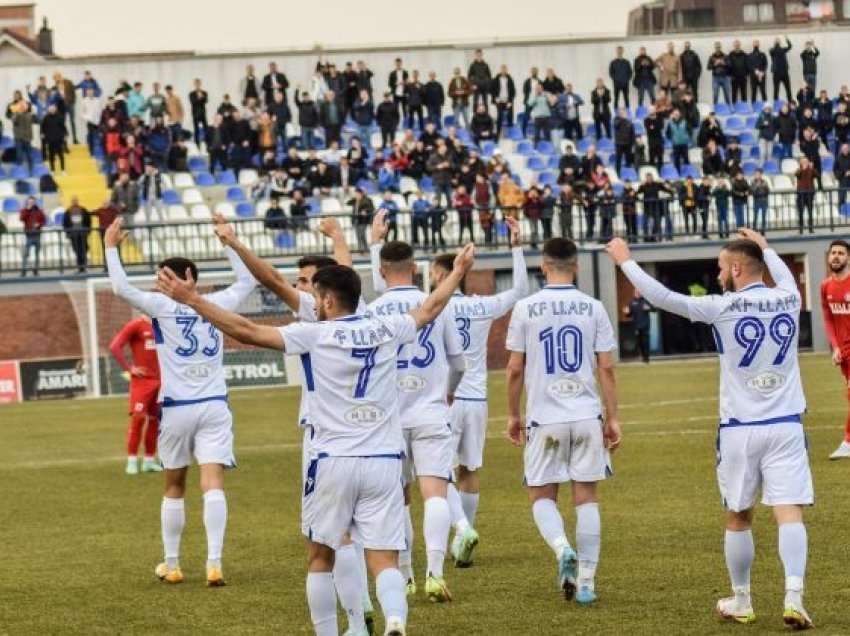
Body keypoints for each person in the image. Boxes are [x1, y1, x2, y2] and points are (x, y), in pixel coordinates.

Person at [158, 224, 474, 636]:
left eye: (315, 294)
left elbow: (246, 330)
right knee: (384, 559)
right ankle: (395, 620)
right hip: (383, 461)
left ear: (326, 299)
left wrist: (192, 299)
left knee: (321, 556)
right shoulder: (387, 327)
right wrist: (458, 270)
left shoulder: (313, 334)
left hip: (331, 460)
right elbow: (431, 307)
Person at [606, 229, 814, 630]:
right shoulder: (790, 297)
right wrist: (766, 247)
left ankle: (742, 600)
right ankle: (794, 598)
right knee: (789, 514)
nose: (718, 273)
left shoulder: (721, 306)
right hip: (786, 424)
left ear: (735, 268)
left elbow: (664, 298)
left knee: (738, 516)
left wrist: (625, 260)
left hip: (740, 428)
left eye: (721, 266)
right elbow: (783, 274)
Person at [104, 216, 256, 588]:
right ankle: (214, 563)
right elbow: (248, 280)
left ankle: (172, 564)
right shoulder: (218, 302)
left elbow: (120, 287)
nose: (158, 283)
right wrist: (229, 242)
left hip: (176, 408)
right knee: (213, 483)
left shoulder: (160, 306)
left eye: (162, 277)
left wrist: (110, 247)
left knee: (174, 486)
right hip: (215, 405)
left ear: (181, 277)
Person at [506, 237, 620, 606]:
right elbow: (606, 367)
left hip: (545, 418)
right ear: (577, 266)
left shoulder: (525, 308)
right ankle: (587, 582)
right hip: (586, 415)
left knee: (541, 495)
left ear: (543, 265)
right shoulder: (593, 307)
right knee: (586, 498)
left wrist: (513, 414)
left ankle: (561, 549)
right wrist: (613, 417)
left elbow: (513, 369)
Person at [109, 315, 162, 474]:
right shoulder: (136, 325)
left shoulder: (163, 324)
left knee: (155, 421)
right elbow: (115, 346)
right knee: (138, 418)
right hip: (142, 382)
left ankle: (149, 461)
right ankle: (132, 461)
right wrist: (129, 368)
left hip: (161, 382)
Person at [821, 240, 850, 460]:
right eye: (833, 253)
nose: (837, 257)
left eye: (841, 253)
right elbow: (828, 318)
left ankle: (848, 442)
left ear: (848, 258)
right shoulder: (825, 286)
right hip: (844, 352)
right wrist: (835, 347)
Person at [62, 196, 92, 272]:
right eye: (73, 201)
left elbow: (88, 220)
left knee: (84, 249)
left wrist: (88, 230)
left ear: (78, 201)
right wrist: (68, 233)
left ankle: (84, 266)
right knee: (76, 250)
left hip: (83, 233)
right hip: (73, 234)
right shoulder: (68, 211)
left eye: (76, 201)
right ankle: (80, 266)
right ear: (71, 202)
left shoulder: (83, 210)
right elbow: (65, 223)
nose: (74, 202)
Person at [20, 196, 46, 277]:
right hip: (29, 235)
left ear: (35, 202)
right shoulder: (25, 210)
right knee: (26, 253)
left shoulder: (39, 211)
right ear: (28, 202)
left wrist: (39, 224)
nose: (31, 203)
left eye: (32, 202)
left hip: (37, 234)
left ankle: (36, 270)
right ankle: (24, 270)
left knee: (37, 254)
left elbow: (44, 220)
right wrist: (27, 209)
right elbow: (21, 218)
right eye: (30, 202)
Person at [624, 289, 652, 363]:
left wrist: (649, 308)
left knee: (646, 342)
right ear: (634, 293)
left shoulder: (645, 301)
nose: (638, 293)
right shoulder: (632, 302)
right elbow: (629, 314)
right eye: (636, 292)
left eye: (639, 292)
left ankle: (646, 358)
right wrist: (626, 312)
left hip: (645, 325)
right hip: (637, 326)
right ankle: (643, 356)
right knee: (640, 342)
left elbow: (654, 309)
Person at [40, 103, 67, 174]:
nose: (52, 110)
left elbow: (63, 127)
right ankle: (52, 170)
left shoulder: (59, 117)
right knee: (51, 156)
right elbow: (42, 127)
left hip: (58, 139)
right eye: (50, 109)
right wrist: (42, 134)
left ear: (55, 109)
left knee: (61, 155)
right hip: (50, 140)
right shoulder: (46, 118)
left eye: (53, 109)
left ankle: (63, 170)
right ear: (48, 110)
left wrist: (65, 135)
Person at [490, 64, 515, 138]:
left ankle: (510, 134)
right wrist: (495, 98)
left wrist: (510, 101)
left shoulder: (510, 79)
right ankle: (498, 134)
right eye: (502, 70)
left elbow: (513, 91)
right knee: (500, 117)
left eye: (505, 70)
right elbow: (491, 90)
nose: (504, 71)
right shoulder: (496, 79)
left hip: (508, 101)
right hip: (499, 101)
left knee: (510, 117)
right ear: (500, 70)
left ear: (507, 71)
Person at [795, 157, 817, 234]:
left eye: (806, 162)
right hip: (801, 194)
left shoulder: (811, 170)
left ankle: (811, 228)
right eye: (803, 162)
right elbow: (797, 175)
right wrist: (802, 169)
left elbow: (817, 175)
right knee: (801, 212)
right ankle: (800, 228)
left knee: (810, 211)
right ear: (801, 163)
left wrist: (812, 168)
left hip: (809, 193)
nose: (805, 163)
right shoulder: (799, 170)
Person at [770, 36, 793, 102]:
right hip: (776, 72)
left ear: (780, 42)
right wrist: (776, 44)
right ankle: (775, 103)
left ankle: (790, 103)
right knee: (776, 89)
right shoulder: (772, 50)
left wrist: (787, 39)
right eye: (776, 40)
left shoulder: (783, 50)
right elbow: (774, 51)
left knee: (788, 89)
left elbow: (790, 46)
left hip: (785, 72)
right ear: (774, 42)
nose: (777, 41)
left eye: (778, 40)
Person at [613, 108, 635, 174]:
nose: (623, 114)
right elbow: (616, 126)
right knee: (618, 160)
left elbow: (632, 133)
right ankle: (618, 173)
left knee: (628, 160)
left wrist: (632, 143)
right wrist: (622, 118)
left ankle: (627, 173)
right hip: (619, 144)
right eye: (621, 113)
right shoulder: (616, 119)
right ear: (619, 113)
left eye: (624, 113)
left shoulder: (629, 121)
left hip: (628, 144)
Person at [188, 79, 208, 146]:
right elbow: (193, 102)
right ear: (194, 84)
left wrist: (201, 97)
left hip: (203, 113)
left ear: (200, 84)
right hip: (195, 114)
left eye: (198, 83)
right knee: (196, 130)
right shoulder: (191, 93)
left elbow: (205, 101)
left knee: (206, 129)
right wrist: (199, 98)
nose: (197, 85)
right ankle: (197, 144)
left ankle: (207, 142)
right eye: (196, 84)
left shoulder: (204, 92)